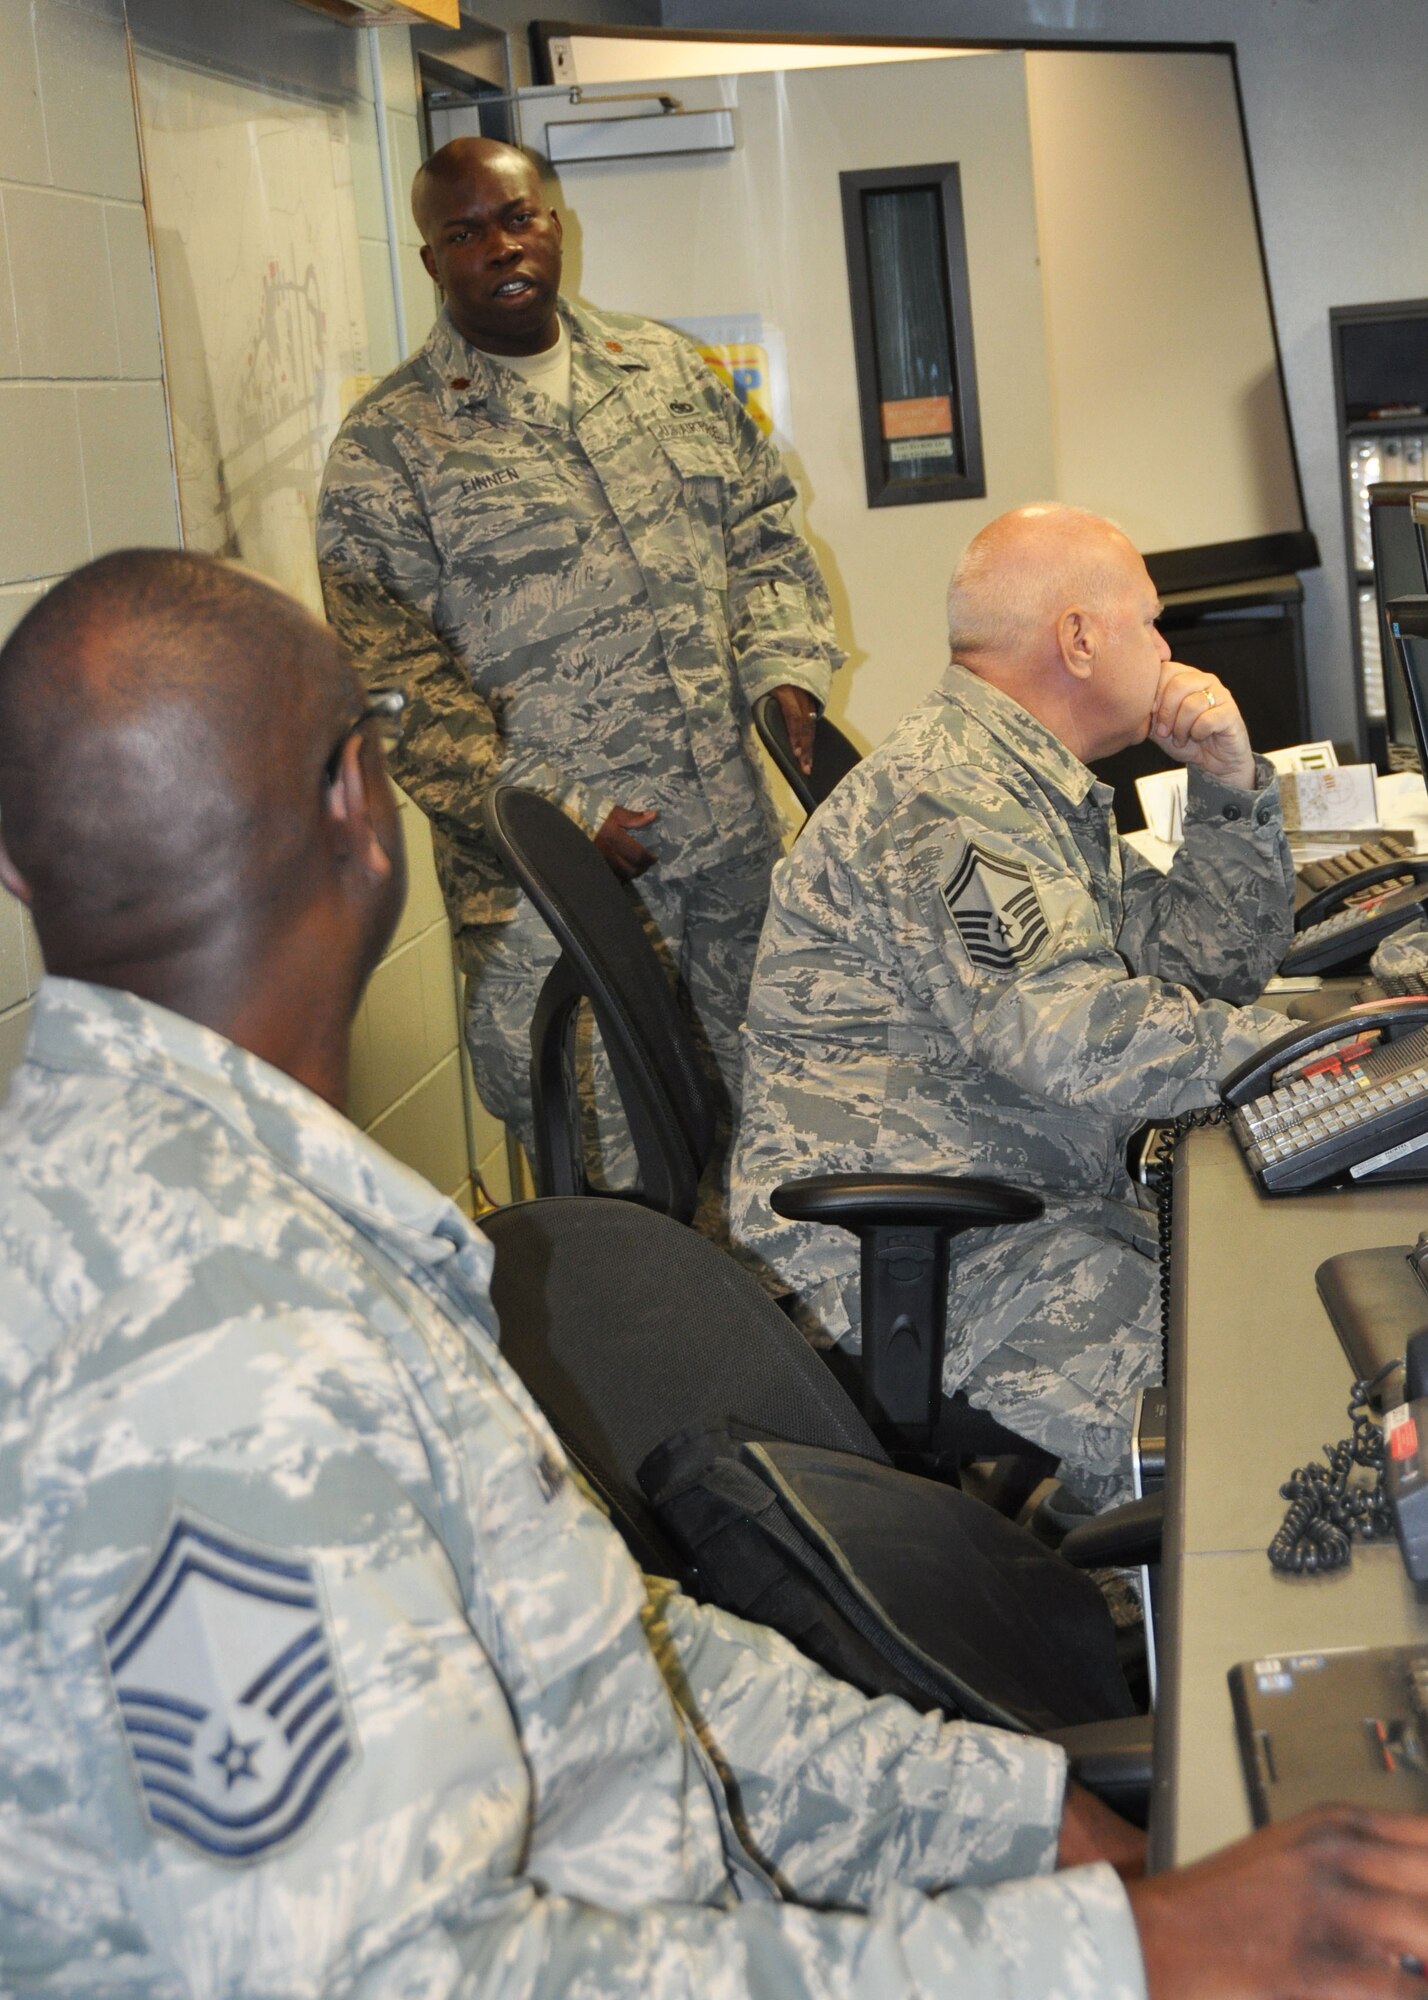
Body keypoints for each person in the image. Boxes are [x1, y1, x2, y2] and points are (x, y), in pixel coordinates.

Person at [5, 550, 1428, 1997]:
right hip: (963, 1270)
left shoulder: (216, 1212)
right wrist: (1110, 1955)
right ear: (364, 813)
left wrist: (1014, 1820)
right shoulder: (204, 1349)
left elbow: (600, 1652)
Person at [730, 505, 1297, 1508]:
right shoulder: (950, 797)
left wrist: (1225, 784)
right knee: (1250, 1420)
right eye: (1153, 622)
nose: (1170, 651)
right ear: (1078, 638)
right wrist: (1314, 1055)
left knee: (1278, 1321)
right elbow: (1071, 1035)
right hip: (933, 1249)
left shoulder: (1014, 780)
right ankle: (1100, 1617)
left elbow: (1206, 960)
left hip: (1022, 1194)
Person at [316, 136, 841, 1212]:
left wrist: (782, 663)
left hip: (731, 860)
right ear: (431, 261)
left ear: (554, 226)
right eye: (465, 233)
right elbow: (399, 693)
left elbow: (762, 528)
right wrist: (562, 813)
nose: (501, 247)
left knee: (796, 1153)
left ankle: (800, 1374)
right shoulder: (389, 449)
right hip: (555, 904)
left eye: (518, 217)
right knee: (627, 1205)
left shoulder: (662, 371)